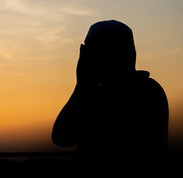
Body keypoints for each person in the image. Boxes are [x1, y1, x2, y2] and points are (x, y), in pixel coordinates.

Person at [52, 20, 168, 167]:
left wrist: (82, 85)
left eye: (90, 50)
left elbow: (63, 137)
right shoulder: (104, 92)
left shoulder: (144, 92)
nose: (85, 57)